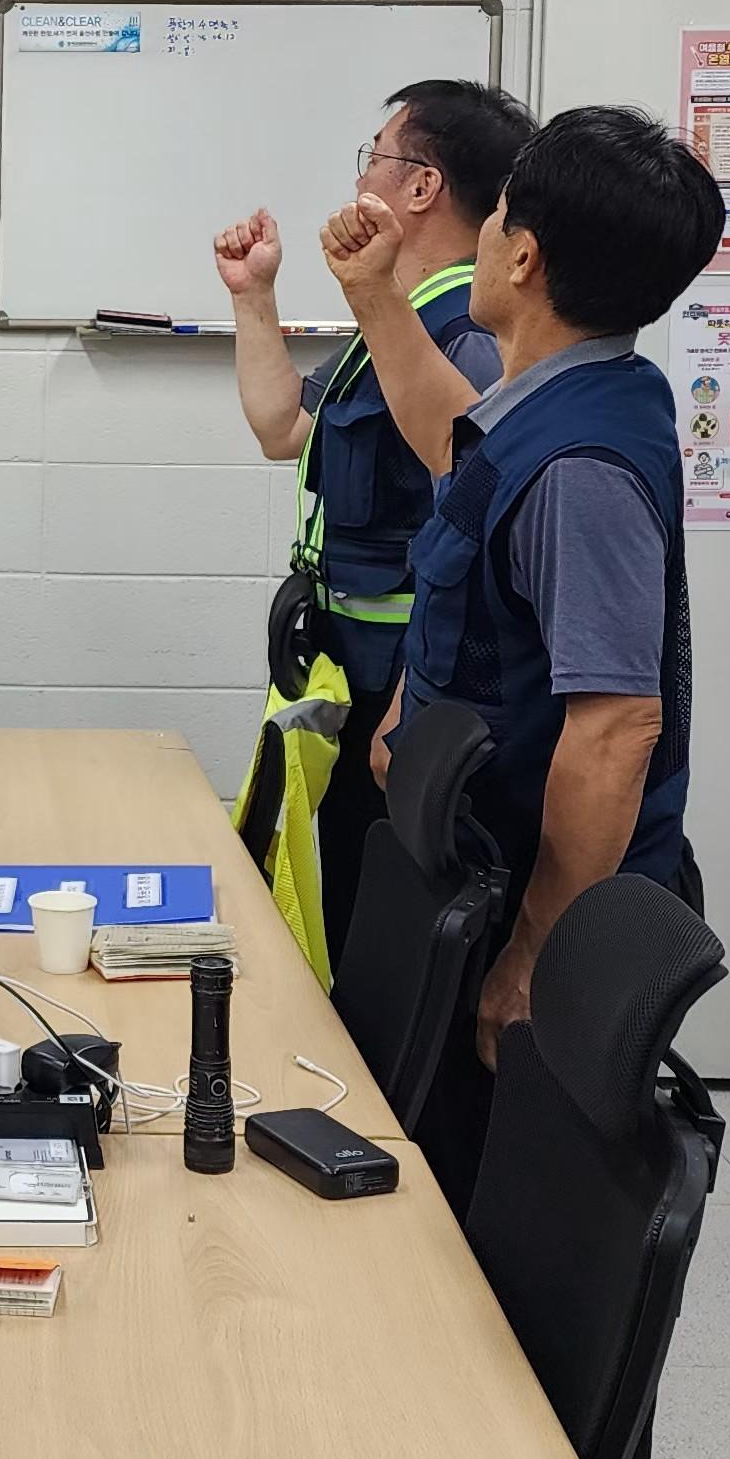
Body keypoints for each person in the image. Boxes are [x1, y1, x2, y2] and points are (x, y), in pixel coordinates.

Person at [374, 103, 726, 1196]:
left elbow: (615, 728)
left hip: (534, 904)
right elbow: (459, 471)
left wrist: (536, 956)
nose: (481, 234)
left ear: (520, 255)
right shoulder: (563, 398)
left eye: (496, 219)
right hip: (480, 877)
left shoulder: (581, 469)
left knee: (484, 1208)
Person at [215, 80, 538, 953]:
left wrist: (413, 700)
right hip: (351, 667)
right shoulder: (396, 313)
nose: (362, 176)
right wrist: (253, 296)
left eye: (378, 156)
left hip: (405, 681)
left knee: (388, 926)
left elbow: (478, 517)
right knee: (346, 896)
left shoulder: (468, 332)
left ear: (423, 186)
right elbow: (284, 428)